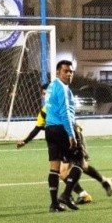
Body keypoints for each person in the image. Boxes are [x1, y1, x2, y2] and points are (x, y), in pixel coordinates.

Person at [16, 83, 112, 205]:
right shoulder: (44, 111)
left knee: (81, 166)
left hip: (72, 138)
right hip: (61, 141)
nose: (46, 96)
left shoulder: (60, 105)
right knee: (66, 171)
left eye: (48, 93)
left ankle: (90, 189)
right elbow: (37, 128)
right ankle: (87, 191)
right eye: (44, 94)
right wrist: (25, 141)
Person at [43, 60, 84, 212]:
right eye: (65, 71)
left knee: (54, 167)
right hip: (61, 129)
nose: (69, 74)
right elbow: (65, 112)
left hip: (50, 128)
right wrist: (71, 134)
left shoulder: (51, 87)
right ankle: (66, 195)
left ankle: (54, 204)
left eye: (71, 71)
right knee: (79, 162)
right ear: (58, 72)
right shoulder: (63, 88)